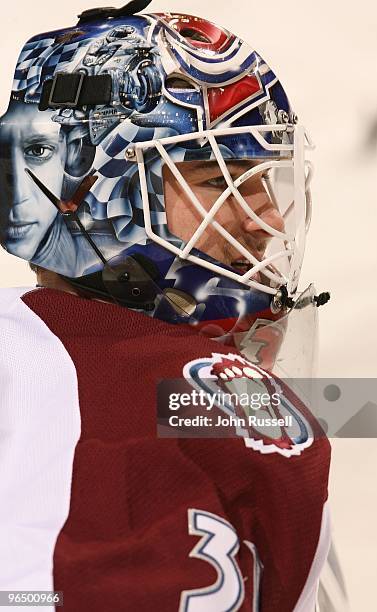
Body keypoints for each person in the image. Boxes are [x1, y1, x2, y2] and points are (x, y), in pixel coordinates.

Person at [0, 1, 332, 610]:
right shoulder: (175, 404)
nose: (266, 222)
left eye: (266, 179)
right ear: (81, 194)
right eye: (217, 180)